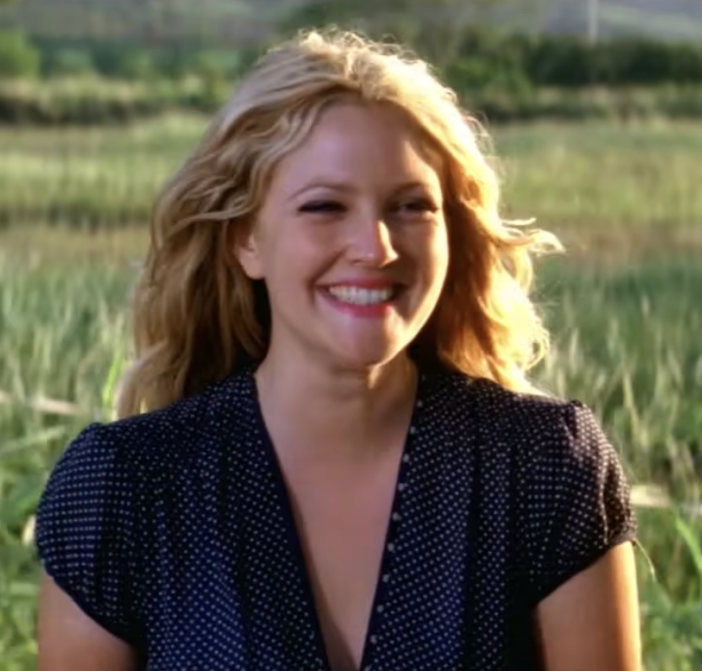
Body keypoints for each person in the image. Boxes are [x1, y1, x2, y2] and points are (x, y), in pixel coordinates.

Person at [34, 28, 642, 671]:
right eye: (324, 206)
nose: (376, 246)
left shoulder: (545, 469)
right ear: (247, 240)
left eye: (411, 206)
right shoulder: (124, 490)